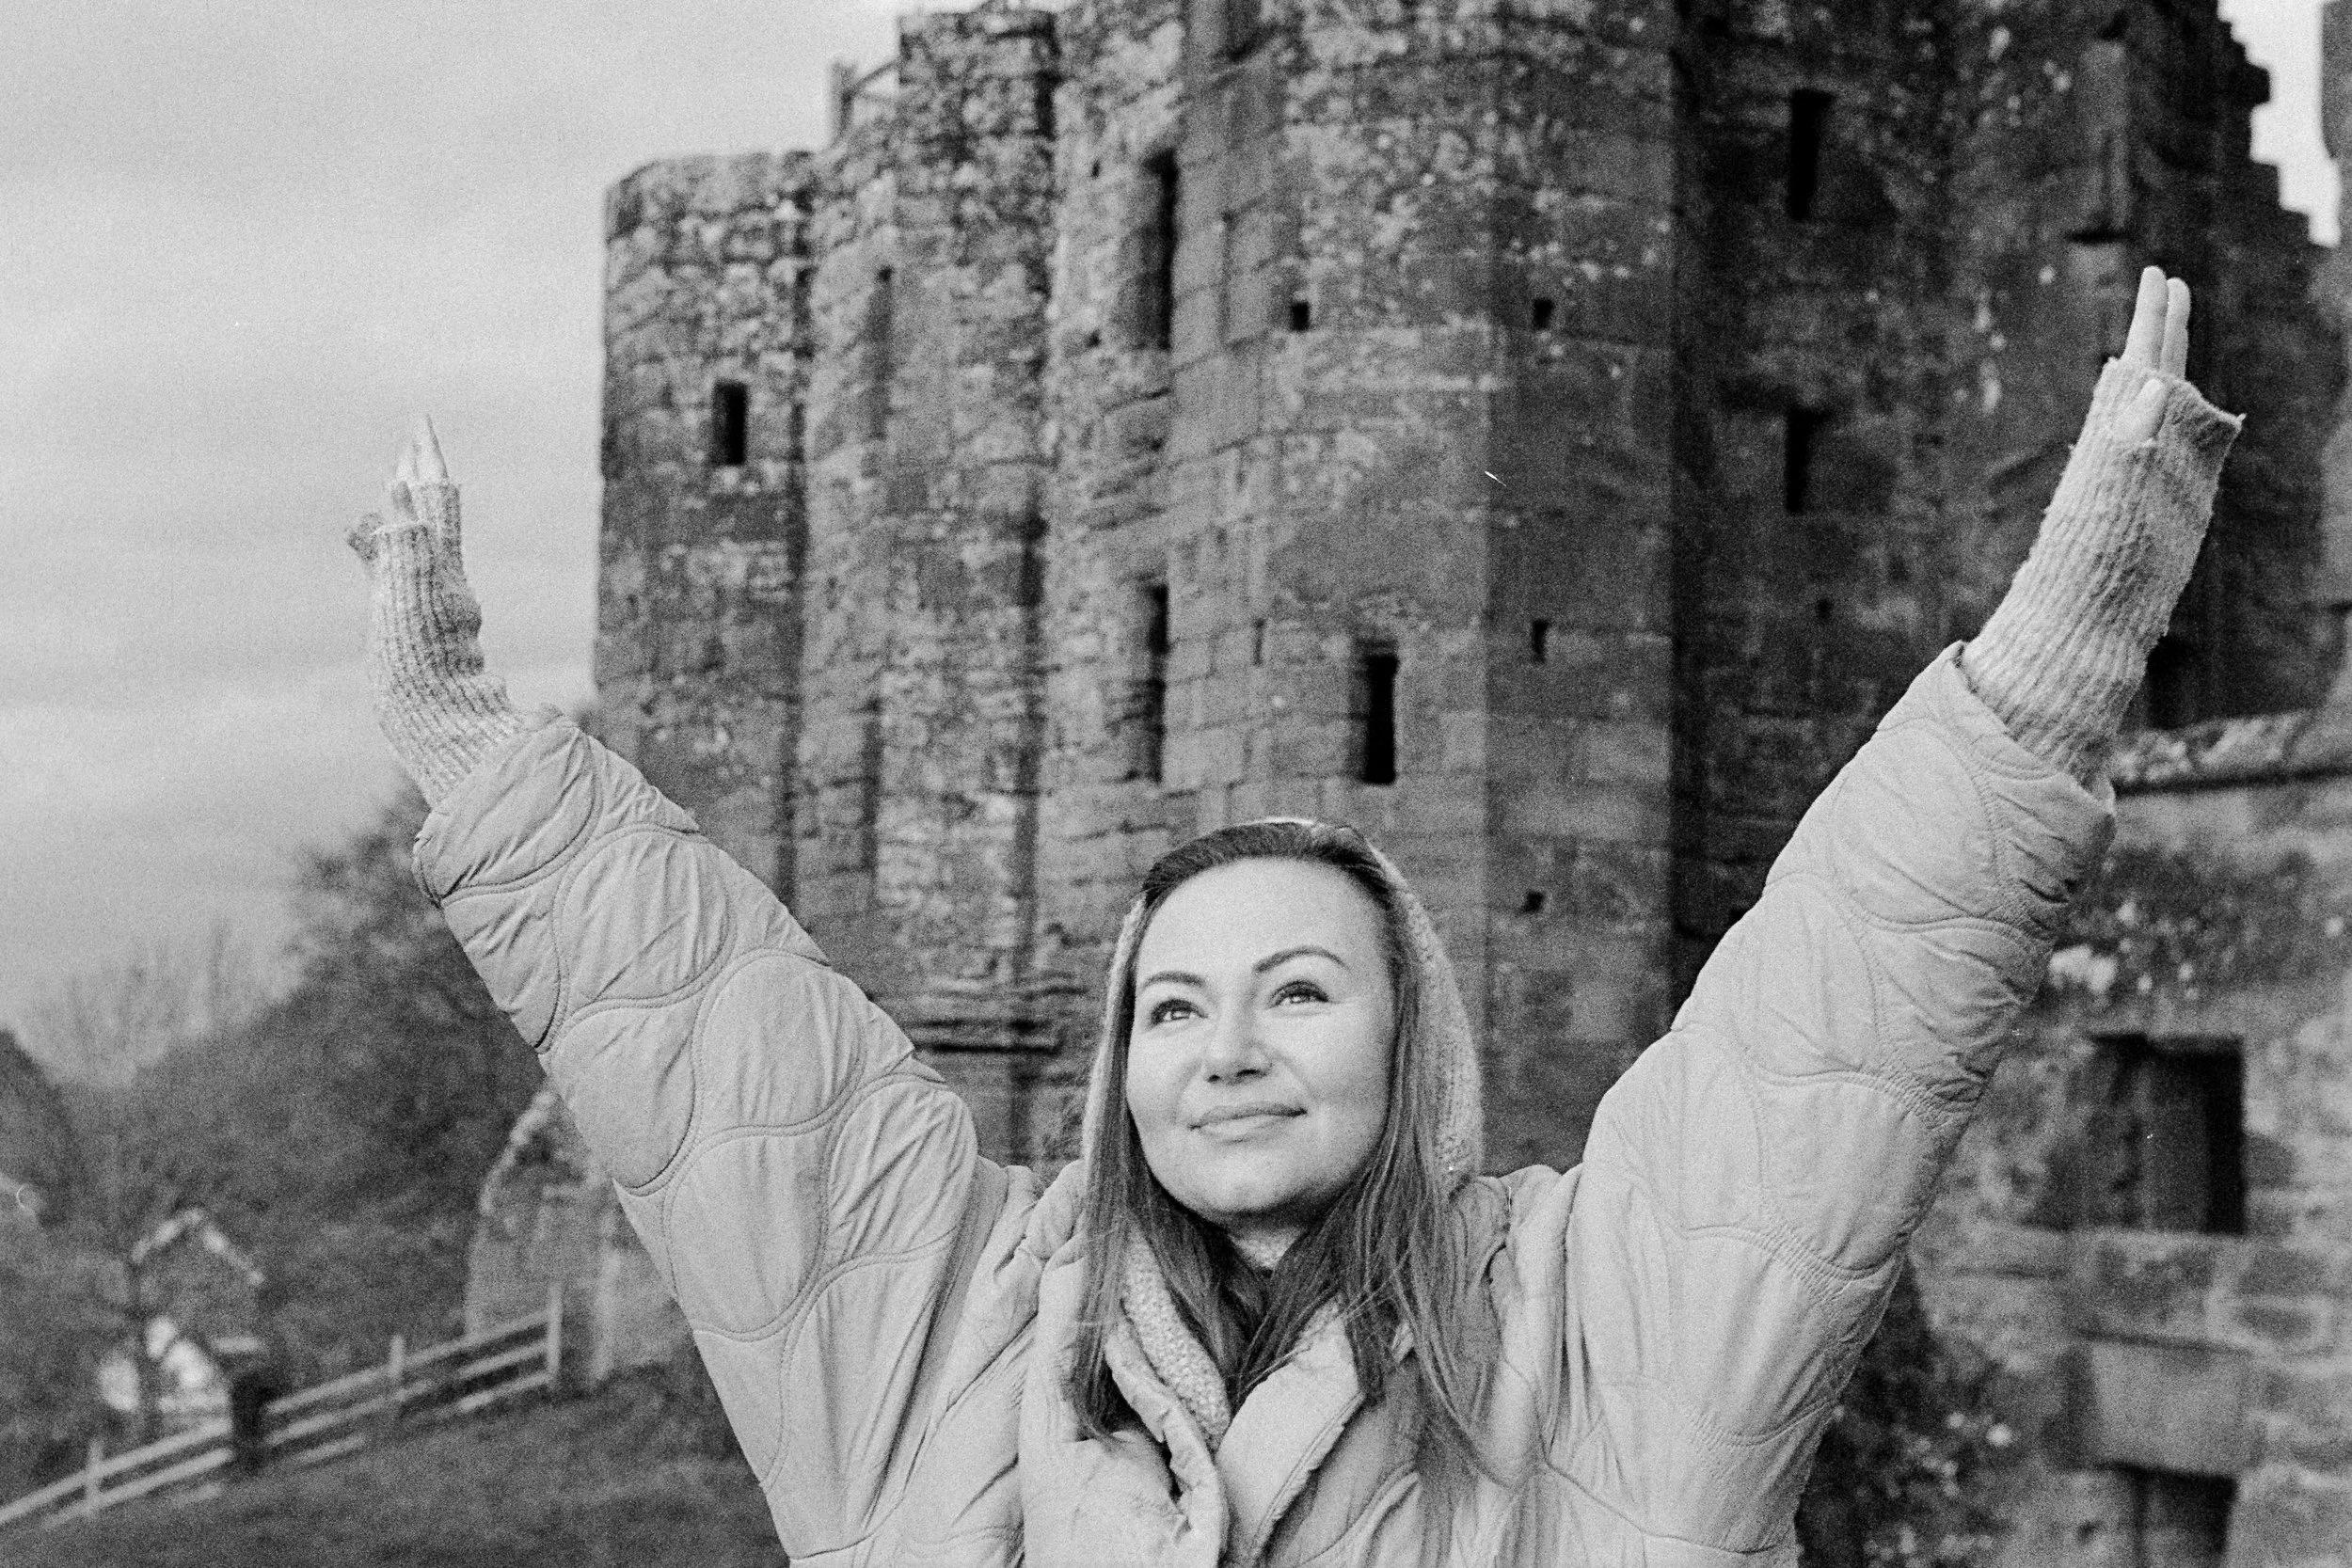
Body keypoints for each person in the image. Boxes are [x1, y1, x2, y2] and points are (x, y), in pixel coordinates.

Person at [346, 267, 2237, 1564]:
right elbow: (718, 1061)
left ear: (1410, 1036)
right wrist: (476, 754)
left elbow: (1828, 1048)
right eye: (1169, 1006)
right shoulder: (966, 1320)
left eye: (1297, 986)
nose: (1223, 1045)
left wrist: (2045, 674)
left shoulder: (1590, 1319)